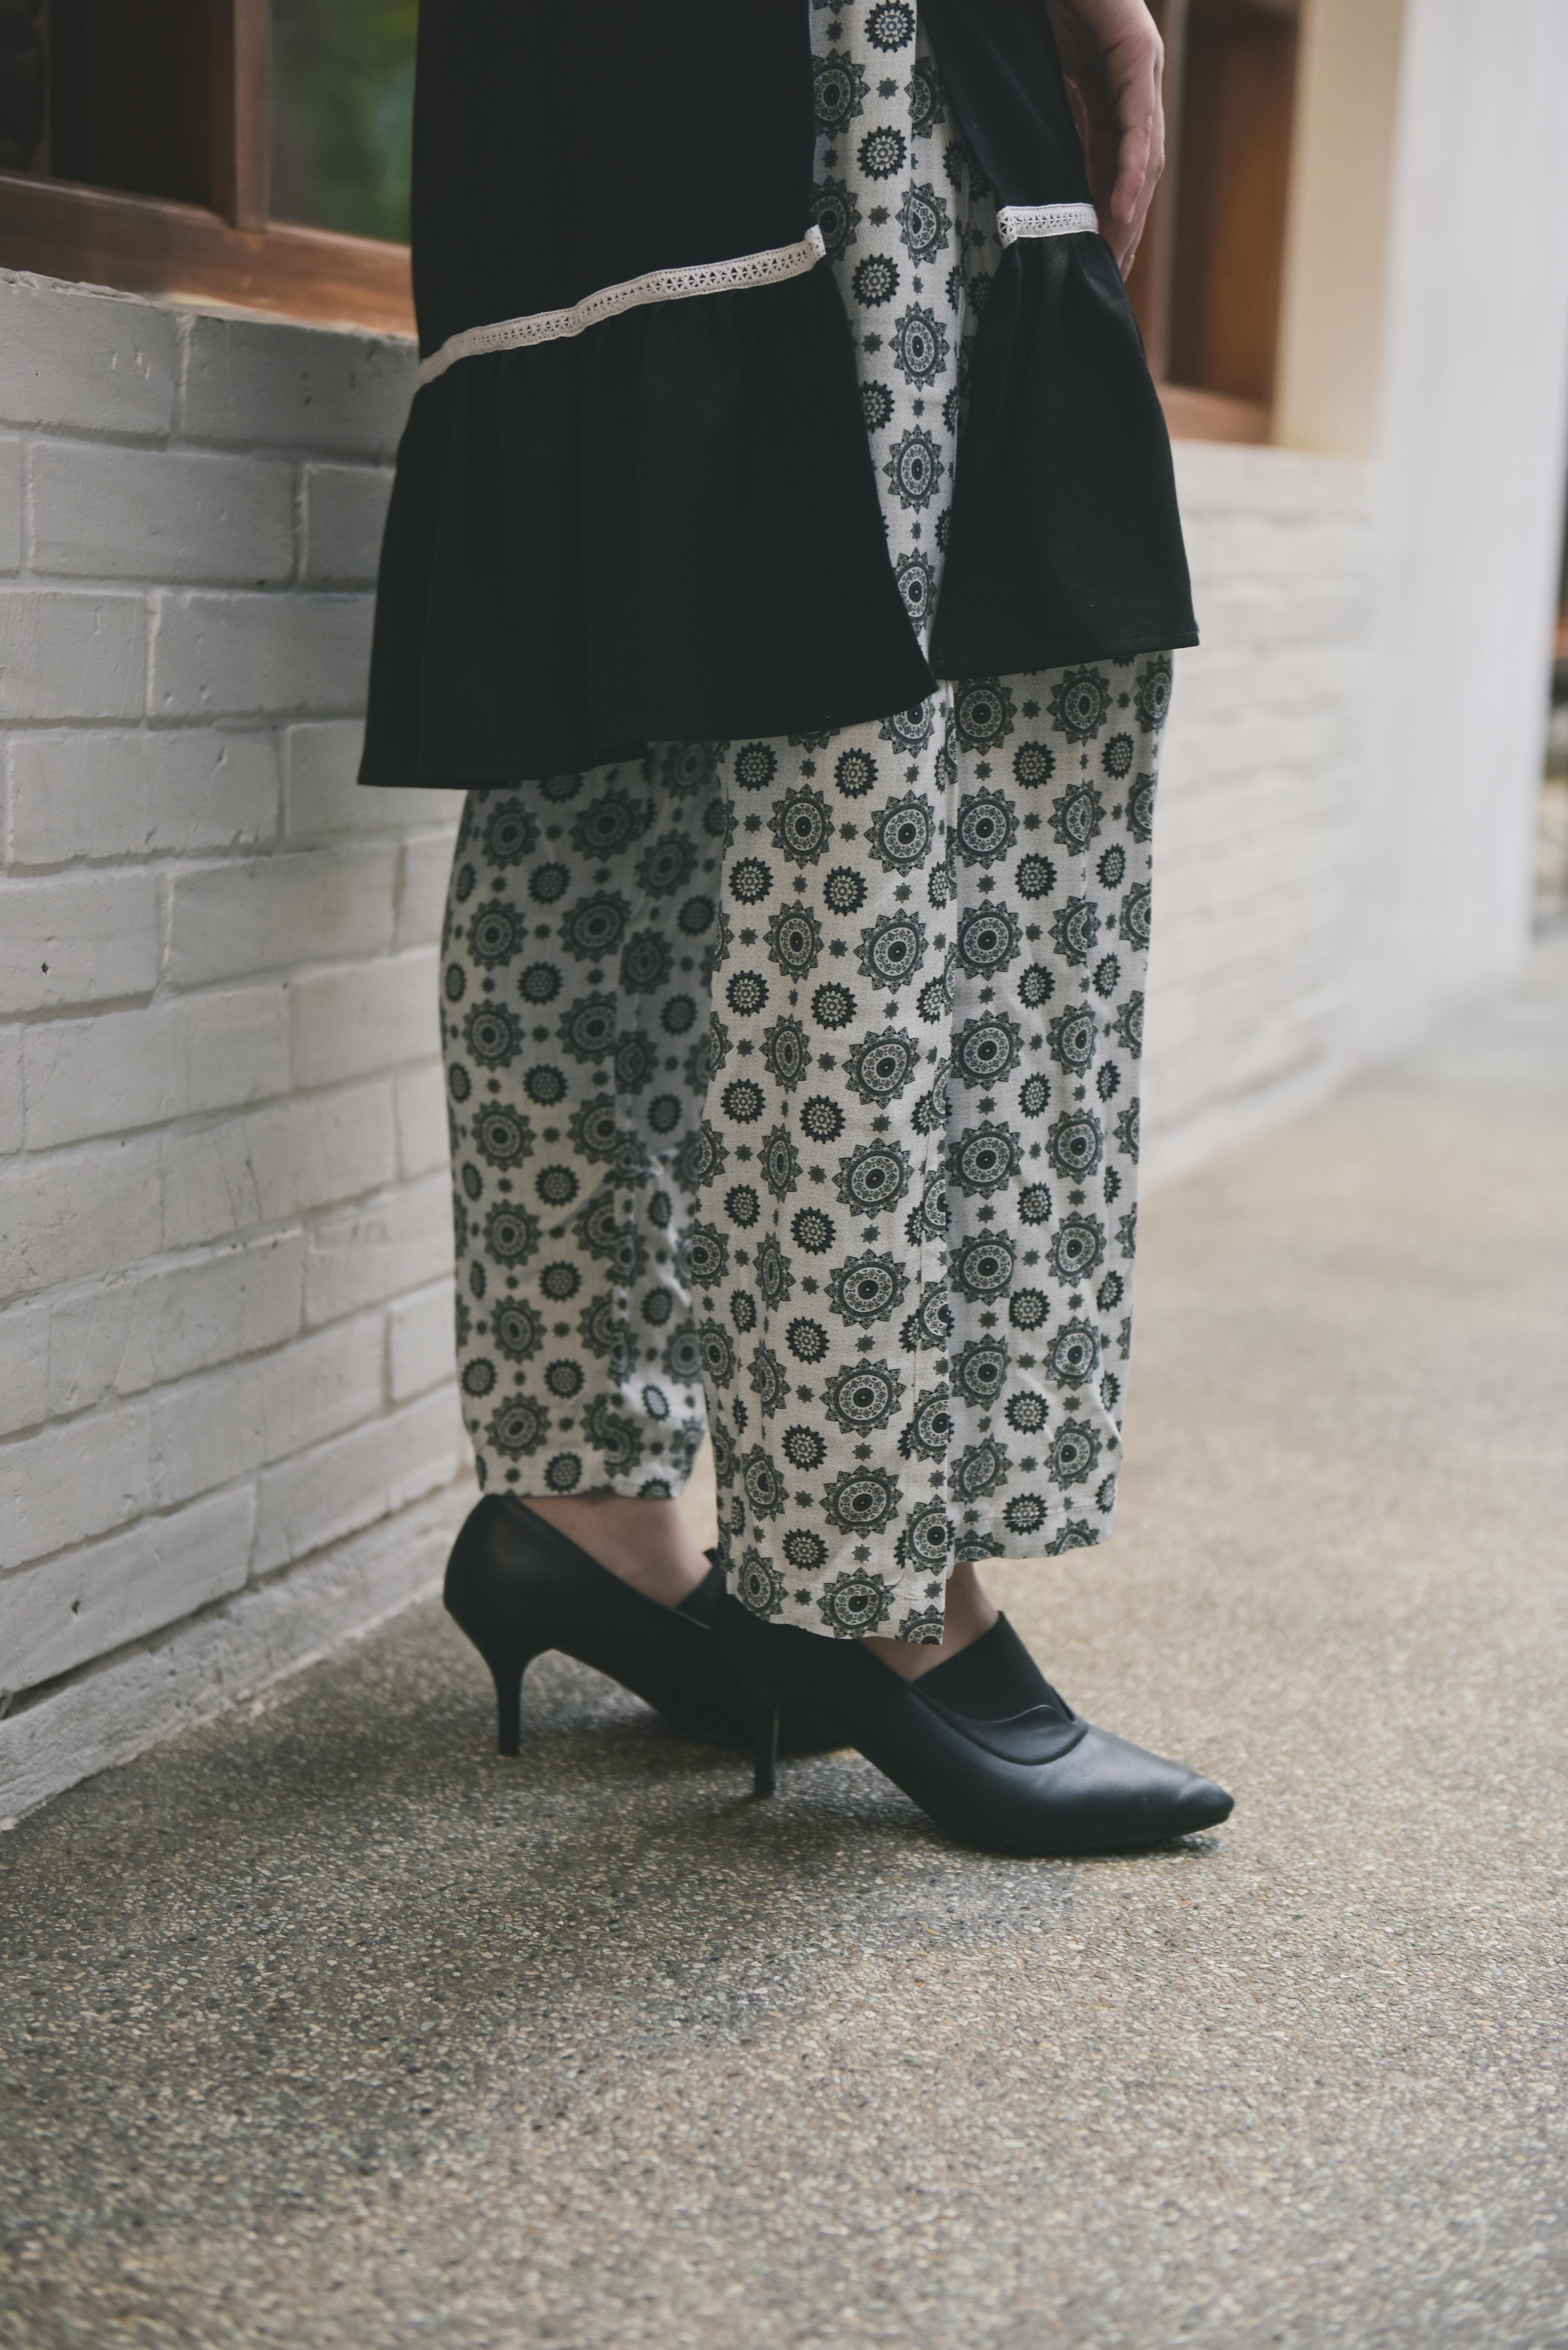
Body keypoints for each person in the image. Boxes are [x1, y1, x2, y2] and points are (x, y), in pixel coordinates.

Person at [360, 0, 1232, 1854]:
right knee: (868, 732)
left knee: (603, 730)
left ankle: (581, 1502)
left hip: (568, 83)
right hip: (824, 63)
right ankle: (871, 1581)